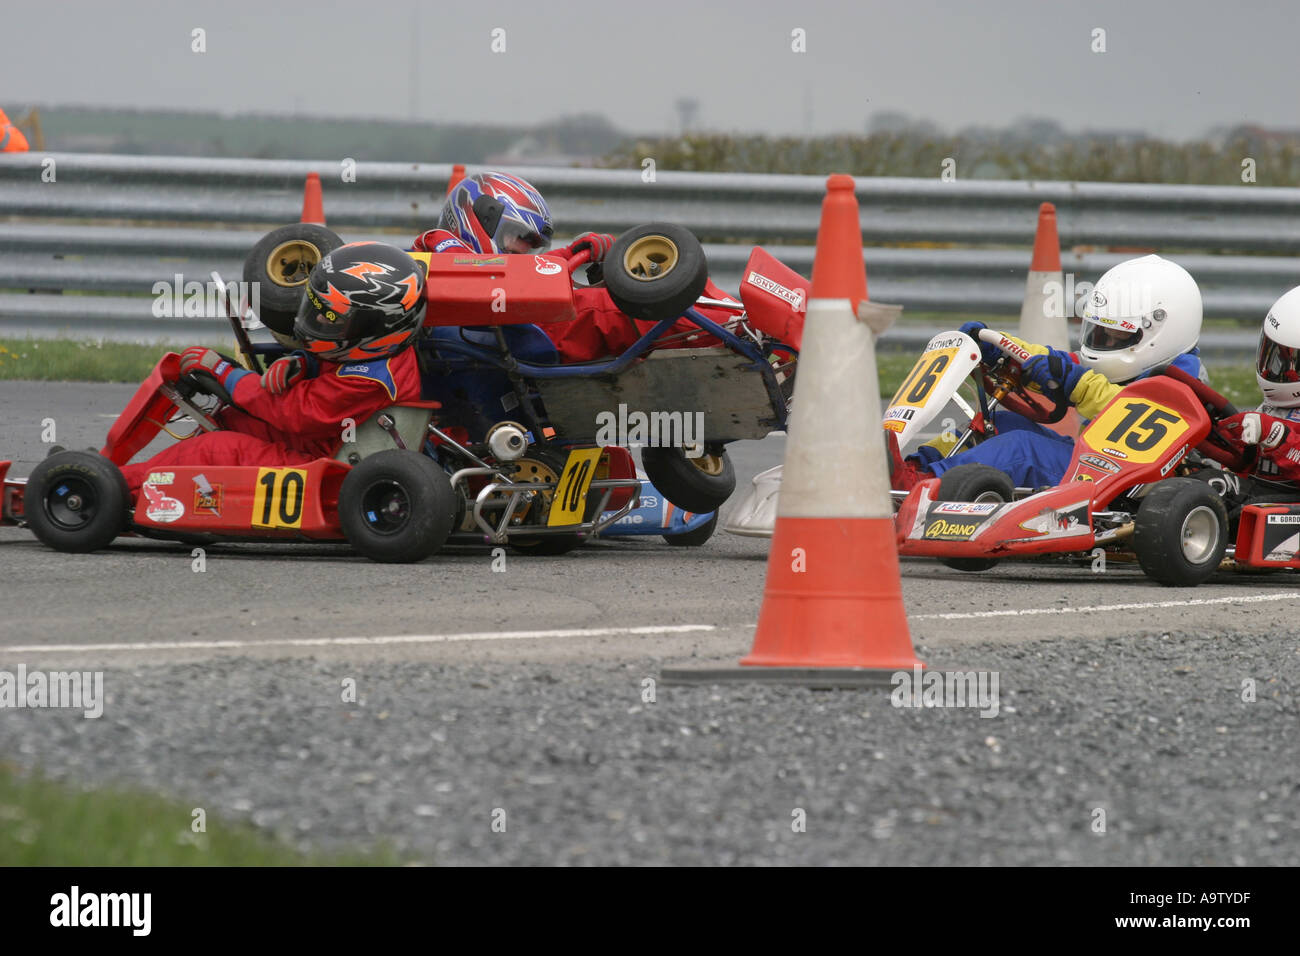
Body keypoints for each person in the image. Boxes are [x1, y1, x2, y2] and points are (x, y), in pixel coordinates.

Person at [120, 242, 426, 490]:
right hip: (328, 440)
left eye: (331, 318)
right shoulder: (373, 354)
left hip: (332, 471)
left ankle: (117, 487)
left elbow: (294, 413)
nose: (317, 320)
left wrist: (227, 376)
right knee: (233, 421)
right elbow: (329, 374)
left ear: (378, 328)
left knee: (215, 450)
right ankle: (143, 483)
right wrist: (301, 363)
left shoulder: (370, 379)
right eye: (316, 308)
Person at [893, 254, 1206, 490]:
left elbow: (1138, 411)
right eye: (1099, 332)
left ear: (1161, 331)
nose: (1104, 343)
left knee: (1022, 449)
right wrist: (999, 348)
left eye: (1117, 337)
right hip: (1093, 463)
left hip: (1134, 480)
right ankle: (913, 468)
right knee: (1000, 422)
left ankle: (926, 487)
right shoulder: (1115, 363)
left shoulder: (1184, 382)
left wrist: (1077, 385)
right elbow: (1057, 360)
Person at [412, 170, 736, 361]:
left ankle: (734, 321)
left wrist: (581, 260)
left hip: (509, 342)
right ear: (475, 219)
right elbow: (482, 281)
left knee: (612, 299)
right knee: (607, 308)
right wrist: (570, 256)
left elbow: (514, 278)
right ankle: (737, 326)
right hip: (483, 337)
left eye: (533, 248)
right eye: (517, 240)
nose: (525, 254)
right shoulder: (438, 244)